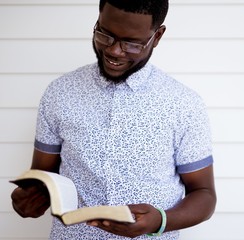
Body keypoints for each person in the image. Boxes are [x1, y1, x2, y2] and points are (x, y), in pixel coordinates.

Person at [11, 0, 217, 239]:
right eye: (104, 35)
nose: (114, 51)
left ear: (157, 36)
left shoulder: (184, 104)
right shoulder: (59, 93)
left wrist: (160, 221)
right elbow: (43, 175)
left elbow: (204, 194)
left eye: (130, 43)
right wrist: (30, 197)